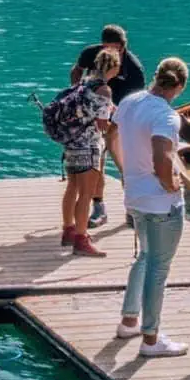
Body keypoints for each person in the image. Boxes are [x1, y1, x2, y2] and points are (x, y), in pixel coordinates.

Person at [114, 57, 190, 358]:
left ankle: (129, 321)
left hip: (134, 195)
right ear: (180, 86)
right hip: (161, 202)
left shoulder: (130, 102)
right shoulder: (167, 116)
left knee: (145, 257)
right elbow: (162, 158)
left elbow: (114, 136)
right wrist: (172, 185)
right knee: (158, 268)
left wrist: (125, 172)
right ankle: (151, 339)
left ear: (157, 76)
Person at [70, 25, 146, 228]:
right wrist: (76, 92)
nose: (109, 54)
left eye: (114, 50)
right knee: (97, 165)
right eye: (106, 49)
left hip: (120, 121)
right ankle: (99, 208)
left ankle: (132, 209)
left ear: (123, 47)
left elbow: (135, 105)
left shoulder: (135, 70)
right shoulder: (90, 54)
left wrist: (113, 124)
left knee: (127, 166)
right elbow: (76, 71)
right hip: (94, 121)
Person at [57, 49, 120, 257]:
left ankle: (68, 230)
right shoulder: (104, 91)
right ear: (113, 67)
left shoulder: (83, 83)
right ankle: (81, 240)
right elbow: (103, 125)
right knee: (86, 193)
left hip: (72, 142)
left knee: (72, 187)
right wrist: (117, 125)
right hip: (89, 145)